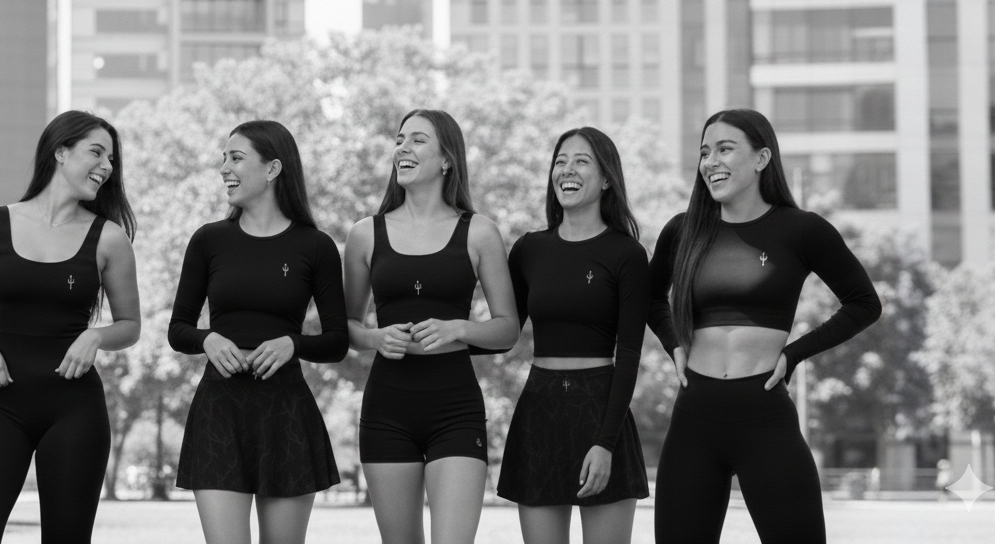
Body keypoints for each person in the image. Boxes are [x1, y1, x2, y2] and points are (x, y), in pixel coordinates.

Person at [649, 109, 881, 544]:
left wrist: (794, 354)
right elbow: (649, 296)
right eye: (704, 152)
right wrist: (673, 343)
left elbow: (864, 303)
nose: (710, 162)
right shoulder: (682, 231)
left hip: (765, 416)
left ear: (761, 158)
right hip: (694, 417)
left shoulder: (802, 229)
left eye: (724, 149)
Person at [0, 110, 141, 543]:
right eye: (97, 152)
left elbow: (130, 325)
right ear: (60, 151)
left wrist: (95, 335)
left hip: (75, 409)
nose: (107, 166)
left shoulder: (109, 238)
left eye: (111, 159)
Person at [341, 109, 519, 544]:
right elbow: (346, 326)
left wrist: (460, 328)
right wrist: (375, 337)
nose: (403, 147)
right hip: (386, 409)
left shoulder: (480, 232)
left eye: (418, 139)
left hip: (455, 409)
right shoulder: (365, 234)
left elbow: (508, 329)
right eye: (399, 139)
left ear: (447, 159)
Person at [167, 120, 348, 544]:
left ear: (272, 168)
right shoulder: (208, 240)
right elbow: (178, 329)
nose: (224, 169)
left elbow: (338, 341)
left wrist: (293, 344)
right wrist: (207, 338)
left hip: (286, 414)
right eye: (224, 158)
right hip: (219, 412)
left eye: (236, 158)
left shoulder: (316, 246)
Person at [496, 127, 651, 544]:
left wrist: (606, 443)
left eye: (582, 161)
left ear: (606, 179)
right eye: (560, 161)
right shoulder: (529, 249)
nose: (567, 169)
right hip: (539, 408)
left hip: (600, 409)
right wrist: (450, 330)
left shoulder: (627, 254)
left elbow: (630, 354)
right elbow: (505, 333)